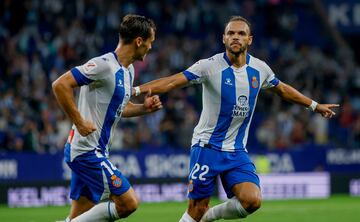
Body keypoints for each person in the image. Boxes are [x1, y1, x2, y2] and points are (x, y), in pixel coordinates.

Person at [133, 16, 339, 222]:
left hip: (237, 151)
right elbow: (172, 82)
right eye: (231, 33)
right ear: (223, 38)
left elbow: (282, 90)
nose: (235, 37)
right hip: (207, 148)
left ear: (250, 39)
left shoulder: (260, 69)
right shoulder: (209, 66)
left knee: (252, 200)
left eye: (241, 34)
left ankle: (209, 217)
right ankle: (201, 215)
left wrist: (314, 105)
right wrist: (136, 90)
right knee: (196, 208)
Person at [52, 14, 162, 222]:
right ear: (139, 41)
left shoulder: (128, 71)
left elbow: (120, 107)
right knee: (129, 203)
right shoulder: (103, 65)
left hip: (96, 150)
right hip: (86, 151)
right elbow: (60, 84)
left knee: (79, 215)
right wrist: (79, 122)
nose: (150, 47)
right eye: (150, 42)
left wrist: (143, 109)